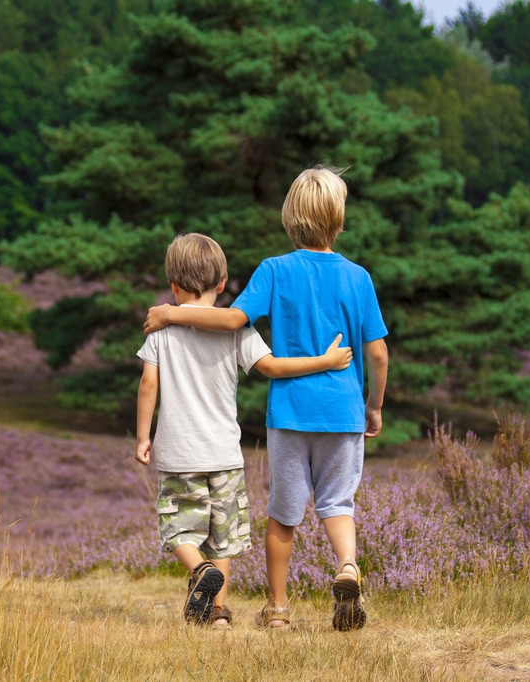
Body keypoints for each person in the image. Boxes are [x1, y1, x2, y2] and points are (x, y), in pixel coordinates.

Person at [143, 166, 389, 632]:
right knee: (338, 505)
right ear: (339, 220)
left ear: (288, 217)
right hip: (343, 412)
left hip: (291, 413)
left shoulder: (275, 270)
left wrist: (171, 313)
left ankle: (277, 611)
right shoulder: (359, 278)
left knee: (283, 516)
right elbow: (377, 353)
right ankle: (348, 567)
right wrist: (373, 404)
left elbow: (233, 320)